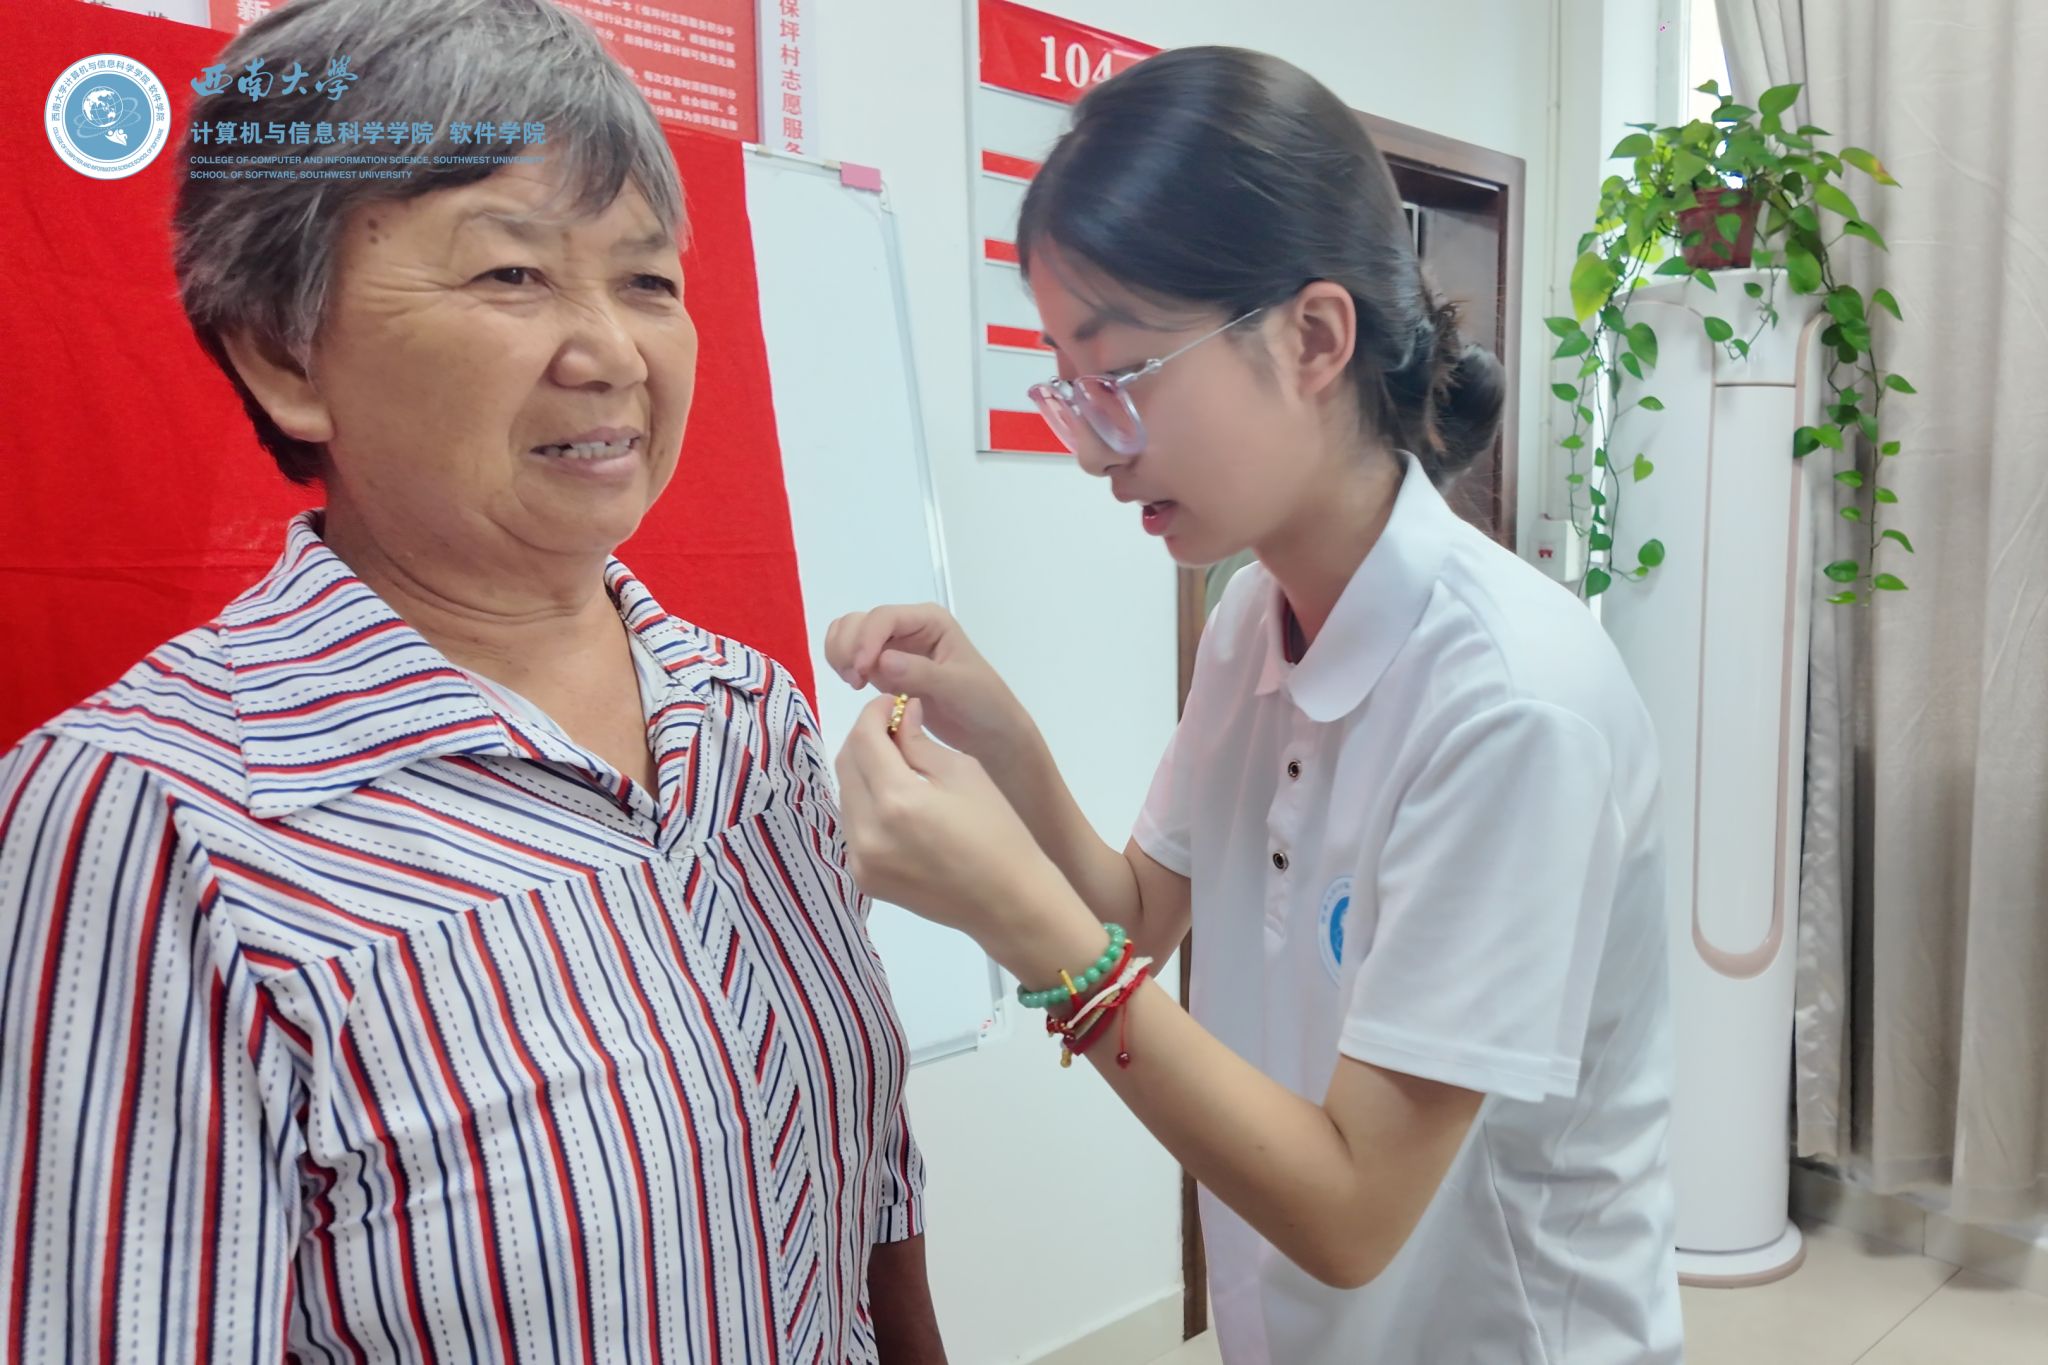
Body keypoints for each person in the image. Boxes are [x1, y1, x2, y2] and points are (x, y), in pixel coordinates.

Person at [0, 2, 945, 1361]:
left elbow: (870, 1181)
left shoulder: (750, 714)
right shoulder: (142, 822)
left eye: (647, 281)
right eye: (512, 273)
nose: (611, 354)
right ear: (283, 351)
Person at [830, 46, 1682, 1365]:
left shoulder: (1513, 705)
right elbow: (1137, 916)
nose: (1093, 445)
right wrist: (999, 733)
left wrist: (1021, 921)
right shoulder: (1249, 617)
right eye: (1068, 384)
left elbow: (1349, 1209)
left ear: (1314, 338)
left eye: (1123, 373)